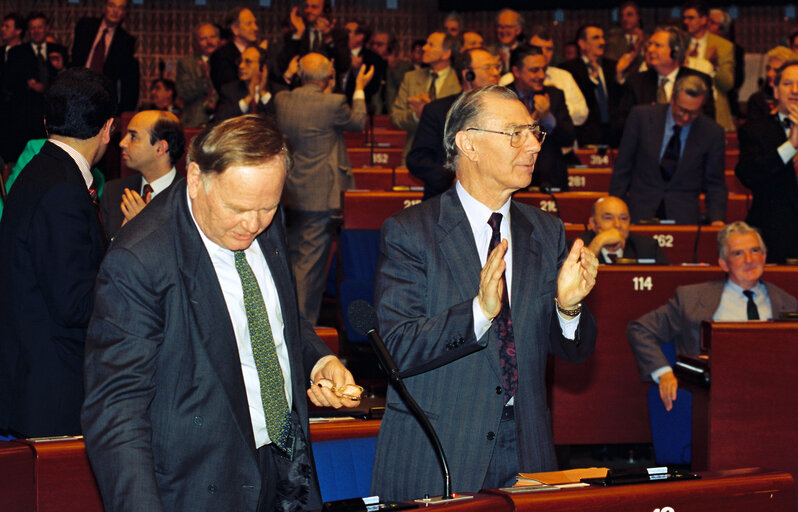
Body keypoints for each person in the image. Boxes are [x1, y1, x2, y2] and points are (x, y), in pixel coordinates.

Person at [82, 115, 362, 512]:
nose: (253, 224)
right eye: (238, 208)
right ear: (196, 179)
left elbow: (276, 314)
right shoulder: (140, 259)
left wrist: (319, 360)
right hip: (199, 481)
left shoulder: (266, 216)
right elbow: (116, 412)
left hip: (285, 461)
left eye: (267, 207)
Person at [371, 85, 598, 501]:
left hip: (528, 448)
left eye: (533, 132)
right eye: (515, 133)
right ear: (468, 144)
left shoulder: (546, 232)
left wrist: (569, 308)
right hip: (439, 448)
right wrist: (478, 311)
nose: (532, 144)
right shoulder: (410, 232)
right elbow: (396, 349)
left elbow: (573, 352)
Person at [0, 68, 116, 438]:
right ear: (107, 128)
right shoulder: (63, 189)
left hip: (32, 375)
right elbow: (74, 304)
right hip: (50, 389)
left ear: (48, 120)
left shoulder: (41, 170)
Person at [627, 221, 797, 411]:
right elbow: (640, 329)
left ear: (764, 257)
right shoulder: (691, 299)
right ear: (724, 263)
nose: (749, 259)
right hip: (712, 398)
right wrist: (664, 372)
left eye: (755, 251)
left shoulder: (788, 303)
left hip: (773, 398)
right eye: (738, 253)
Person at [275, 53, 372, 325]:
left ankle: (285, 323)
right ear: (328, 76)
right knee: (309, 269)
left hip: (290, 193)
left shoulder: (282, 100)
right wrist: (360, 88)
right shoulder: (333, 103)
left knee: (292, 262)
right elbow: (358, 123)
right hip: (321, 197)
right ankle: (303, 331)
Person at [610, 75, 726, 225]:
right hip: (640, 209)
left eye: (693, 113)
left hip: (684, 215)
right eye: (682, 110)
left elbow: (715, 184)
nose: (685, 118)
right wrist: (613, 212)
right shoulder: (641, 117)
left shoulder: (712, 132)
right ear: (672, 100)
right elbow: (622, 168)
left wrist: (717, 220)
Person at [407, 48, 501, 199]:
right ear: (467, 75)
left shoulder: (506, 111)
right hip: (445, 200)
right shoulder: (437, 111)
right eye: (488, 68)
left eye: (497, 67)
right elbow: (417, 160)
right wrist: (452, 177)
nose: (496, 73)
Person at [735, 60, 798, 263]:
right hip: (774, 235)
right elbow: (748, 175)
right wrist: (791, 146)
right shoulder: (755, 129)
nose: (795, 91)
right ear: (776, 90)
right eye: (788, 84)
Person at [101, 110, 184, 239]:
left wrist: (144, 226)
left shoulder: (189, 197)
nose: (122, 143)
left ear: (160, 148)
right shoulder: (113, 191)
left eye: (133, 137)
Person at [508, 45, 575, 191]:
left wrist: (547, 117)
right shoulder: (503, 97)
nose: (541, 75)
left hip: (552, 180)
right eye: (534, 70)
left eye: (544, 69)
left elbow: (569, 137)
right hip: (513, 182)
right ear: (516, 71)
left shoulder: (554, 95)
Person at [617, 26, 715, 125]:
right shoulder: (636, 82)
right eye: (650, 44)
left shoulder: (699, 80)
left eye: (657, 45)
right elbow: (624, 123)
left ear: (675, 52)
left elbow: (707, 122)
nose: (650, 49)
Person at [3, 12, 67, 161]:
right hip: (24, 118)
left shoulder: (58, 50)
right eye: (32, 28)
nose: (36, 31)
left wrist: (60, 68)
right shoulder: (17, 52)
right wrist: (27, 84)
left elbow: (68, 81)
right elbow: (8, 82)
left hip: (51, 118)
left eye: (40, 27)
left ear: (47, 28)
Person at [391, 31, 461, 161]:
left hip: (449, 158)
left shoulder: (460, 81)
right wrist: (416, 115)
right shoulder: (410, 78)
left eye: (431, 45)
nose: (424, 48)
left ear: (446, 53)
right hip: (415, 157)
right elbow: (396, 117)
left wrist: (431, 113)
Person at [560, 24, 623, 146]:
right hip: (585, 135)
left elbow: (620, 100)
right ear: (582, 43)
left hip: (613, 135)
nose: (602, 42)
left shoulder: (613, 66)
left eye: (603, 37)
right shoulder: (568, 69)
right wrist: (592, 78)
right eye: (596, 38)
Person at [71, 0, 139, 112]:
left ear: (125, 13)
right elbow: (75, 58)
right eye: (112, 5)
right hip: (77, 89)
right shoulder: (85, 26)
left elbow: (125, 80)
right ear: (104, 8)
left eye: (120, 8)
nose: (115, 11)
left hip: (102, 97)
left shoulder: (126, 41)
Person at [682, 0, 735, 131]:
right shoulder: (681, 44)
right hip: (684, 109)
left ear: (704, 20)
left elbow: (728, 84)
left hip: (714, 111)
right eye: (684, 18)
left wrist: (715, 66)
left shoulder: (723, 46)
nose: (686, 22)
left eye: (691, 18)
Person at [577, 196, 670, 264]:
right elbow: (573, 281)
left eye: (624, 218)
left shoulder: (647, 247)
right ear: (593, 224)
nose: (617, 225)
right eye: (608, 218)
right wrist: (597, 243)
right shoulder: (576, 246)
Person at [527, 25, 588, 127]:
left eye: (549, 49)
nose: (544, 54)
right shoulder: (512, 78)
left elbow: (582, 114)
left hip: (563, 139)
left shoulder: (564, 76)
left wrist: (554, 106)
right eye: (538, 49)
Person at [276, 0, 350, 83]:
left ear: (326, 10)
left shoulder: (338, 34)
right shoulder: (295, 34)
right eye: (307, 6)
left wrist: (328, 39)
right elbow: (282, 65)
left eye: (314, 7)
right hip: (301, 88)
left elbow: (343, 65)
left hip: (328, 89)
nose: (308, 10)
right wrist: (298, 34)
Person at [215, 46, 282, 122]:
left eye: (248, 61)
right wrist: (247, 99)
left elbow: (280, 120)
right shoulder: (229, 90)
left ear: (262, 67)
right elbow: (220, 121)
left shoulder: (278, 91)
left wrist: (263, 94)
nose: (241, 66)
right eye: (240, 61)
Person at [177, 23, 220, 128]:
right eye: (203, 39)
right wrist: (204, 79)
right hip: (196, 122)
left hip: (222, 122)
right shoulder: (187, 64)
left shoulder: (229, 62)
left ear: (219, 39)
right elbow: (183, 93)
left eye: (212, 37)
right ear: (195, 43)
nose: (209, 42)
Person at [210, 7, 259, 93]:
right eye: (249, 24)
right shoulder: (221, 56)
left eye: (255, 23)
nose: (255, 28)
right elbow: (228, 89)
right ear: (235, 29)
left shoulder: (259, 52)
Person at [746, 46, 797, 121]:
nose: (770, 74)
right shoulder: (758, 100)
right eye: (768, 68)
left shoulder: (794, 95)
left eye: (776, 70)